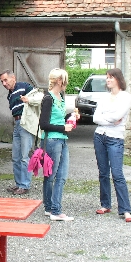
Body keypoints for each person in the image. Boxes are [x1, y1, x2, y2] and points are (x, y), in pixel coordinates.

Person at [93, 68, 131, 222]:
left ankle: (125, 210)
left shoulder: (126, 97)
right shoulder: (104, 97)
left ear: (118, 79)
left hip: (115, 138)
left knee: (117, 174)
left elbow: (118, 116)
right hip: (99, 136)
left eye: (111, 77)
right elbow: (95, 118)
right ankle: (105, 204)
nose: (108, 80)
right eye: (107, 78)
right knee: (103, 172)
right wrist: (110, 120)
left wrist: (106, 117)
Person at [39, 68, 79, 221]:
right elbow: (43, 124)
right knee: (56, 176)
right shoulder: (48, 98)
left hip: (61, 139)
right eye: (65, 80)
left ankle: (50, 208)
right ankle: (55, 211)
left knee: (55, 175)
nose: (66, 83)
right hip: (52, 140)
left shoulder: (60, 97)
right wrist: (63, 128)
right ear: (59, 81)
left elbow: (59, 118)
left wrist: (71, 116)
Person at [0, 70, 43, 195]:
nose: (4, 83)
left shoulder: (24, 86)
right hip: (17, 124)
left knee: (25, 157)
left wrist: (28, 99)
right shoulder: (10, 95)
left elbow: (40, 96)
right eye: (2, 81)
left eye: (5, 80)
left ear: (13, 78)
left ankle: (25, 185)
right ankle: (19, 184)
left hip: (25, 124)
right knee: (15, 157)